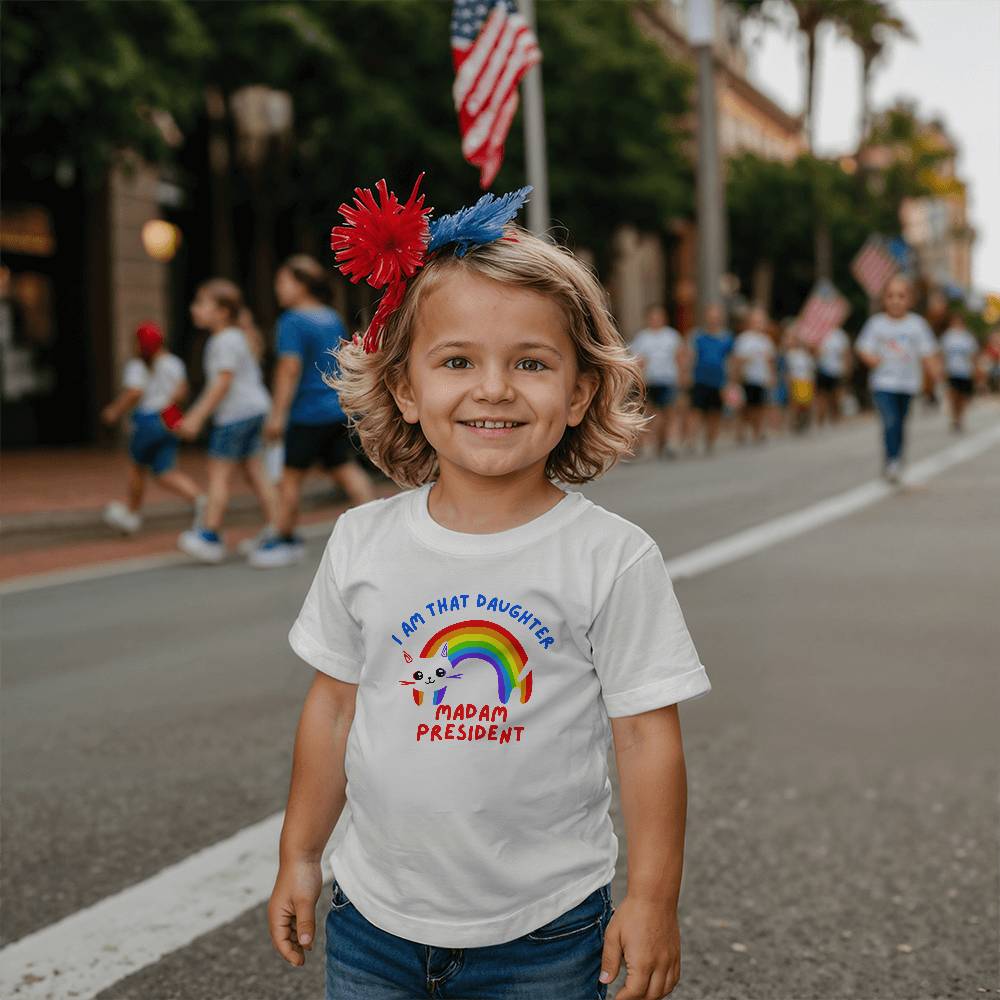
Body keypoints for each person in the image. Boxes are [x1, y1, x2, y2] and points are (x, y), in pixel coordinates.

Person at [266, 179, 712, 1000]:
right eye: (458, 360)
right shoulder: (363, 540)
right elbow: (333, 707)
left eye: (532, 363)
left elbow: (648, 741)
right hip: (372, 921)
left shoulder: (610, 556)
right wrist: (300, 854)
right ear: (405, 386)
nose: (495, 388)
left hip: (543, 931)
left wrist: (651, 900)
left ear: (580, 392)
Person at [249, 255, 378, 568]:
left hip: (305, 414)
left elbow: (289, 369)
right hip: (335, 409)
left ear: (301, 285)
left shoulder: (292, 321)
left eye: (283, 282)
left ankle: (283, 538)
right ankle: (378, 531)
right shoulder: (330, 317)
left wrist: (278, 415)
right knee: (346, 471)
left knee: (289, 479)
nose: (278, 289)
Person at [175, 279, 277, 562]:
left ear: (221, 311)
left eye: (200, 303)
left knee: (218, 474)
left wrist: (195, 417)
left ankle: (209, 535)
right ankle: (277, 528)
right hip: (254, 410)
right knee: (255, 472)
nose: (194, 309)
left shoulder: (224, 340)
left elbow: (222, 383)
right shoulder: (234, 337)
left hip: (235, 415)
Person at [101, 321, 203, 535]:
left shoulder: (138, 365)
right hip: (170, 417)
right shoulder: (174, 362)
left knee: (137, 467)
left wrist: (114, 411)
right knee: (165, 471)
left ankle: (132, 513)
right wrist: (171, 415)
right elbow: (181, 392)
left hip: (148, 419)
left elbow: (134, 393)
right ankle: (201, 500)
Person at [855, 275, 940, 484]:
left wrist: (935, 376)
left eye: (901, 296)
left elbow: (928, 353)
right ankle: (892, 460)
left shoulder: (917, 325)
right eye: (891, 295)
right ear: (884, 299)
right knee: (890, 421)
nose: (895, 300)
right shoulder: (876, 324)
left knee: (900, 423)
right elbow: (862, 347)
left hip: (908, 384)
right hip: (883, 383)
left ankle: (896, 456)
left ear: (910, 300)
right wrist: (871, 358)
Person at [629, 304, 686, 459]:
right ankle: (645, 443)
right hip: (650, 380)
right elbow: (637, 360)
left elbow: (680, 357)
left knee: (669, 412)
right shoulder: (642, 337)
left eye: (658, 316)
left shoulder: (672, 336)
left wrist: (682, 377)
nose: (655, 319)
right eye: (653, 316)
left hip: (668, 379)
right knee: (649, 414)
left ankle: (667, 442)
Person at [683, 302, 734, 455]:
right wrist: (686, 373)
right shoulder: (697, 336)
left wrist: (730, 382)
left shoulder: (726, 338)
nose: (713, 320)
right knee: (695, 411)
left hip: (718, 381)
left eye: (716, 317)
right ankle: (691, 441)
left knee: (715, 412)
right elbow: (690, 355)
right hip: (700, 379)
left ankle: (710, 441)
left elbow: (730, 360)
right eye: (711, 317)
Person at [731, 306, 775, 444]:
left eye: (761, 321)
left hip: (760, 379)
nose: (759, 324)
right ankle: (741, 432)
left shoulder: (766, 341)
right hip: (747, 378)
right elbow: (736, 360)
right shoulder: (743, 339)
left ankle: (758, 432)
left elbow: (770, 361)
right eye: (756, 321)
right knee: (745, 407)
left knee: (759, 406)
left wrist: (771, 376)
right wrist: (736, 377)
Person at [939, 311, 980, 433]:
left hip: (965, 371)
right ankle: (954, 418)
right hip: (952, 371)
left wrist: (975, 369)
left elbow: (973, 355)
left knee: (962, 397)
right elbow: (942, 354)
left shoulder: (968, 337)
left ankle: (960, 417)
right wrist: (942, 369)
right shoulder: (947, 337)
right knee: (953, 395)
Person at [814, 325, 851, 426]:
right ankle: (820, 420)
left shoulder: (840, 335)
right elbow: (813, 351)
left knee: (836, 396)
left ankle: (835, 417)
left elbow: (846, 353)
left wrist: (847, 368)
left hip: (837, 371)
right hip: (822, 370)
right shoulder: (818, 333)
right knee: (822, 396)